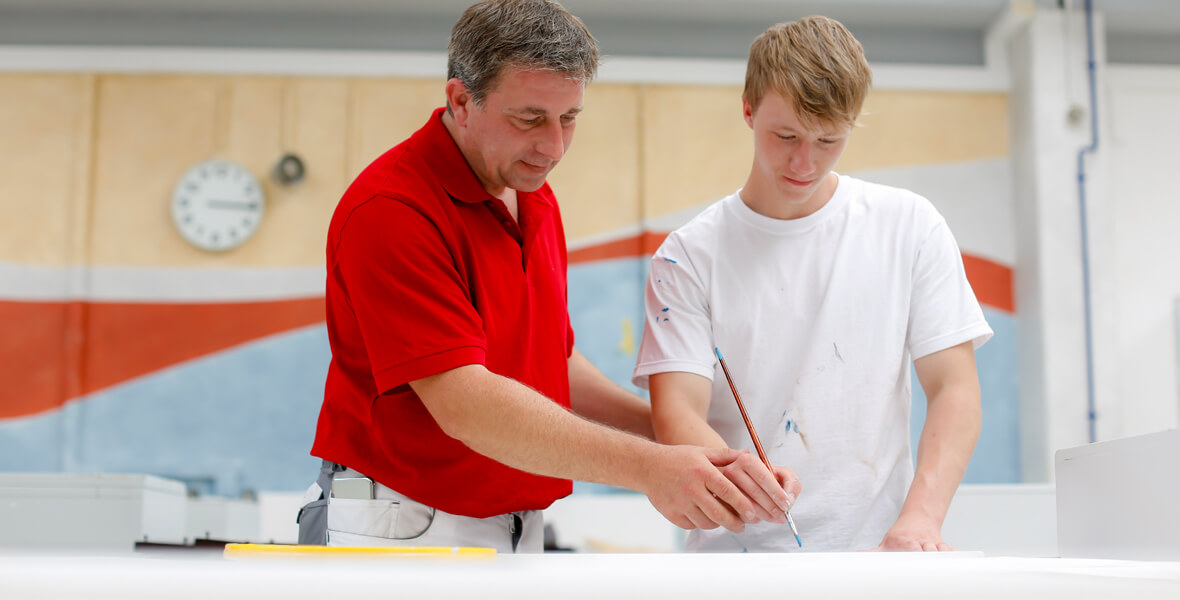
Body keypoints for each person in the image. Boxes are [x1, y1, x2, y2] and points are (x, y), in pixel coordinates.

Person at [299, 0, 800, 553]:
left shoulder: (531, 195)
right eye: (529, 119)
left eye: (569, 119)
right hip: (404, 526)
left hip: (515, 526)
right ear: (461, 100)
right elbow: (466, 404)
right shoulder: (392, 210)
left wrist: (681, 439)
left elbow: (553, 364)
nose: (554, 147)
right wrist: (653, 468)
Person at [633, 15, 993, 553]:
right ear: (749, 109)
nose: (806, 162)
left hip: (878, 561)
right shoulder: (688, 256)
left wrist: (920, 519)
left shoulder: (910, 226)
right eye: (786, 137)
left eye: (829, 140)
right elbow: (677, 411)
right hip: (732, 566)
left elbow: (955, 389)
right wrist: (741, 480)